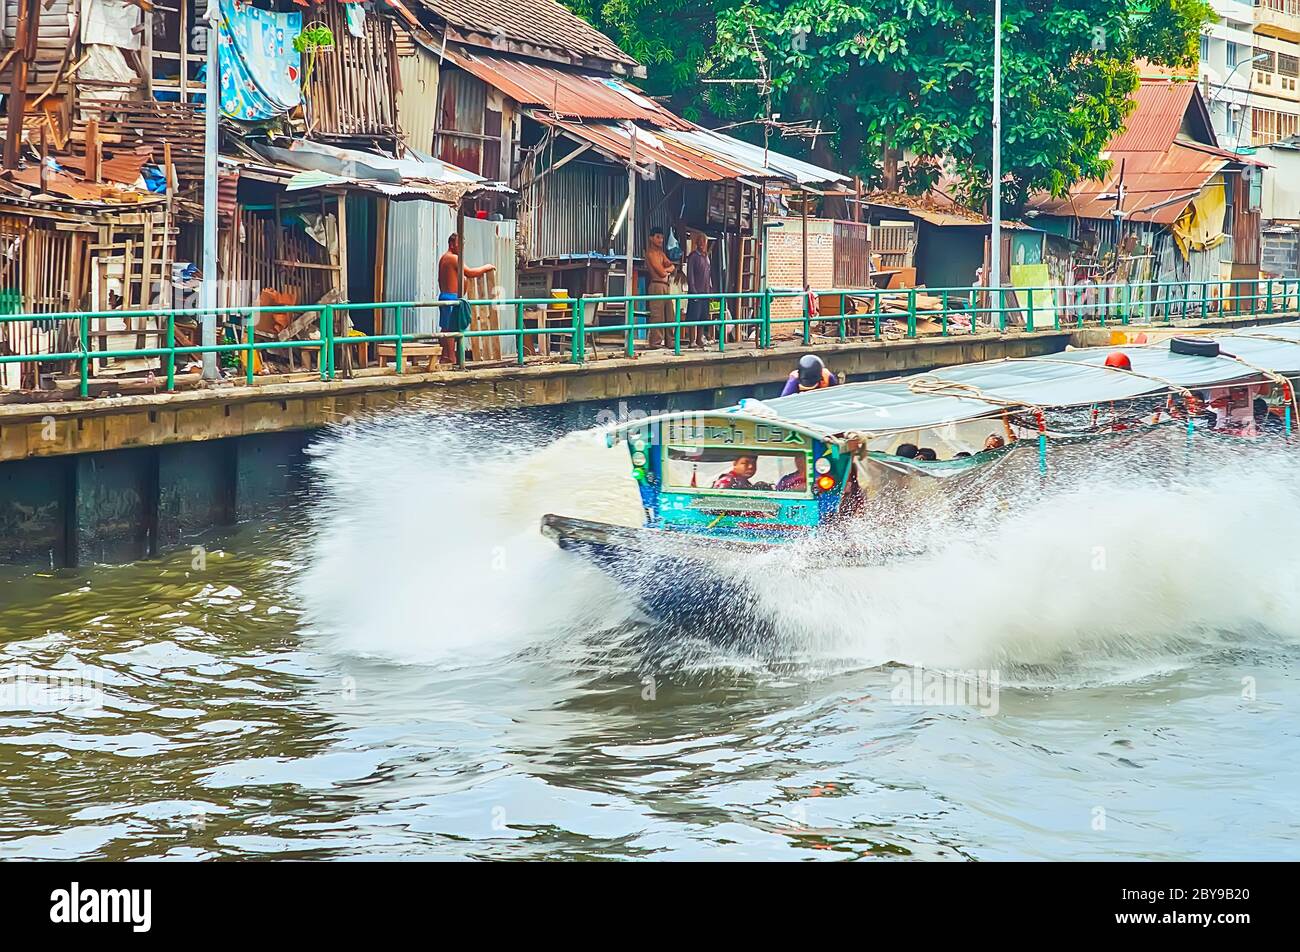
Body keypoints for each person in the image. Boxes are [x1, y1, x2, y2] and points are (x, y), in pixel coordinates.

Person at [438, 234, 495, 361]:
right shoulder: (452, 258)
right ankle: (451, 357)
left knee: (445, 327)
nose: (461, 248)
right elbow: (470, 273)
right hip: (450, 297)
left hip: (445, 295)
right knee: (450, 329)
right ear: (452, 244)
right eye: (459, 245)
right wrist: (486, 267)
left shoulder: (444, 258)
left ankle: (445, 355)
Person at [644, 227, 675, 348]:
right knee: (657, 316)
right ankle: (655, 342)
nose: (660, 240)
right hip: (656, 284)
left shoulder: (661, 253)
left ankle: (670, 341)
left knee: (670, 315)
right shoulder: (650, 253)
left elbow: (671, 266)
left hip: (665, 286)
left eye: (662, 237)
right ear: (651, 238)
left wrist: (666, 270)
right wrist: (667, 270)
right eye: (657, 237)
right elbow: (661, 272)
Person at [686, 233, 713, 347]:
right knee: (693, 317)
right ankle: (692, 340)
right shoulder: (693, 256)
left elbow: (708, 275)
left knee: (703, 317)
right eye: (700, 241)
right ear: (697, 243)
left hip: (705, 292)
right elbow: (690, 275)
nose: (702, 244)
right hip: (696, 291)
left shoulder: (706, 257)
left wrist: (710, 291)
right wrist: (693, 291)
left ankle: (699, 339)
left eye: (704, 241)